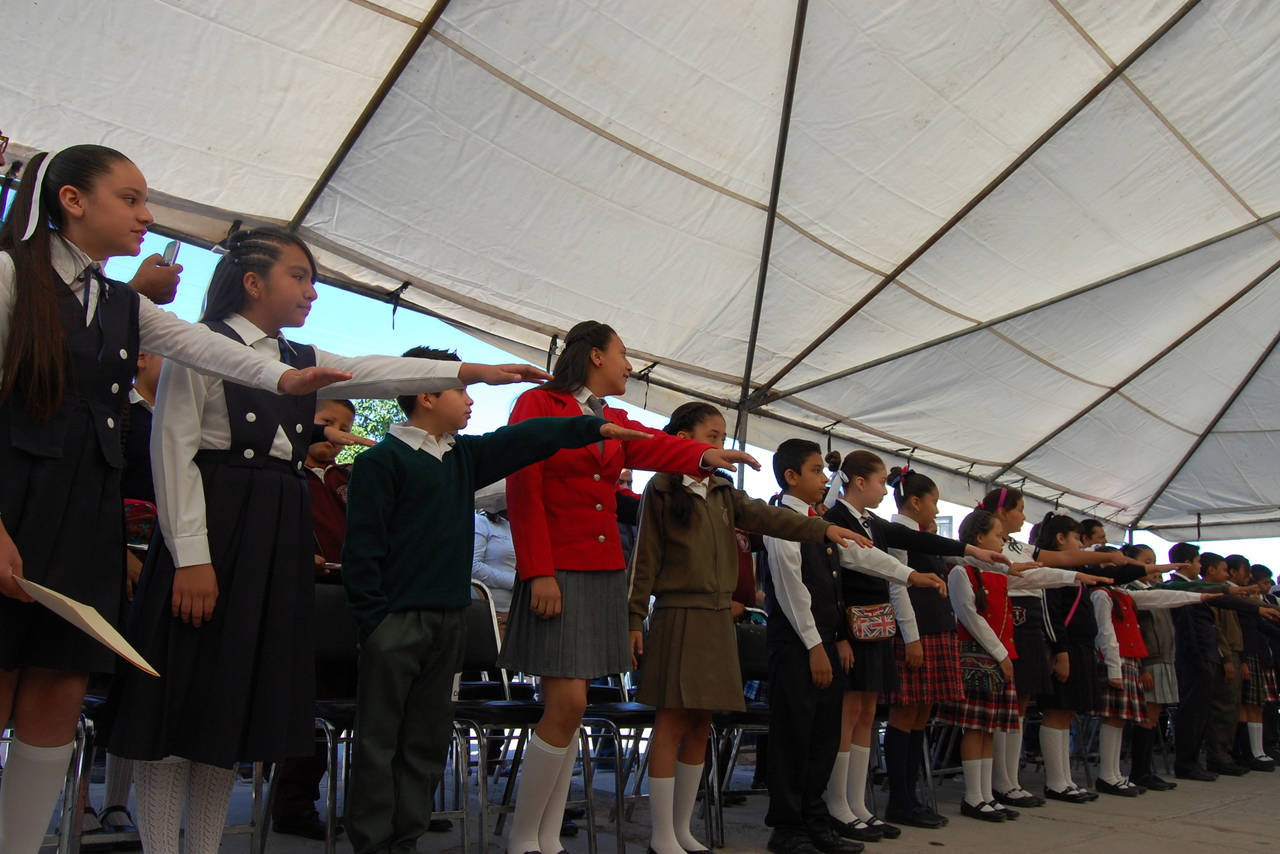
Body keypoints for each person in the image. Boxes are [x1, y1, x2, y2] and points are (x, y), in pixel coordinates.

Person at [106, 226, 552, 854]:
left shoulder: (300, 358)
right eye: (300, 276)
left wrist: (467, 370)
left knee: (228, 712)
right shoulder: (198, 346)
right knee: (180, 703)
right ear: (253, 282)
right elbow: (172, 452)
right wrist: (190, 557)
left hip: (272, 531)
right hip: (214, 526)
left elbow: (370, 372)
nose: (312, 292)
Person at [0, 146, 351, 854]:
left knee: (61, 688)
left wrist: (290, 380)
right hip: (17, 503)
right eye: (130, 199)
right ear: (73, 200)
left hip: (85, 511)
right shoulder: (11, 275)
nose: (146, 215)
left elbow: (213, 350)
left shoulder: (121, 302)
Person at [341, 346, 648, 854]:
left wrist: (591, 427)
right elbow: (361, 552)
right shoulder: (380, 462)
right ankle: (373, 842)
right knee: (379, 739)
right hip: (395, 621)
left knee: (427, 737)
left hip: (450, 620)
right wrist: (375, 623)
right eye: (460, 390)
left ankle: (406, 837)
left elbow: (524, 439)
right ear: (425, 395)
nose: (470, 401)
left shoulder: (462, 457)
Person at [498, 320, 758, 854]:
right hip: (557, 570)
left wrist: (703, 456)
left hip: (602, 573)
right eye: (623, 353)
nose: (629, 365)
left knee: (574, 710)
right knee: (566, 704)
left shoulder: (612, 418)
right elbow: (523, 489)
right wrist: (538, 570)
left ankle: (548, 838)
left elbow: (653, 447)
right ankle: (522, 837)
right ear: (596, 355)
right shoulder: (538, 404)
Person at [629, 403, 863, 854]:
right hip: (679, 613)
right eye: (712, 436)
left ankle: (683, 830)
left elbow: (767, 516)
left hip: (718, 619)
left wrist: (822, 530)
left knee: (701, 723)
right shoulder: (660, 488)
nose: (721, 445)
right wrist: (634, 617)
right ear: (682, 439)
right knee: (672, 721)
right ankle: (662, 835)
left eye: (722, 437)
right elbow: (644, 559)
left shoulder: (722, 490)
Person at [818, 451, 1001, 841]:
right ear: (858, 482)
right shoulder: (835, 520)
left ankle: (858, 805)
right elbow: (855, 568)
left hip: (876, 629)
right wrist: (911, 577)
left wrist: (971, 551)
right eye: (879, 482)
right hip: (850, 629)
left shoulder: (872, 523)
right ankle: (837, 805)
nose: (885, 490)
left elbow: (918, 538)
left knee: (867, 714)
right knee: (848, 715)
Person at [975, 487, 1142, 806]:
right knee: (1008, 707)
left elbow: (1063, 559)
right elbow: (1035, 576)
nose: (1023, 516)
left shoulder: (1020, 546)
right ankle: (1002, 782)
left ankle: (1011, 780)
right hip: (1010, 622)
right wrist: (1075, 576)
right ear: (1002, 511)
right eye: (1019, 508)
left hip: (1030, 627)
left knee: (1020, 705)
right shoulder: (984, 546)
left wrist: (1105, 557)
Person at [270, 397, 360, 840]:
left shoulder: (350, 480)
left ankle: (361, 807)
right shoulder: (283, 474)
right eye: (328, 423)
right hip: (300, 600)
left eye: (345, 428)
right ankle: (293, 804)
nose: (337, 435)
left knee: (348, 699)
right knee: (307, 707)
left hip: (349, 601)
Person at [1091, 559, 1213, 796]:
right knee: (1114, 719)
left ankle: (1114, 774)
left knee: (1120, 719)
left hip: (1129, 660)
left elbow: (1159, 597)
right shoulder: (1101, 595)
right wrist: (1114, 669)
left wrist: (1199, 597)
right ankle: (1107, 775)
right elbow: (1105, 633)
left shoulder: (1123, 594)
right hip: (1117, 660)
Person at [473, 481, 518, 634]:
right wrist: (514, 581)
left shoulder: (522, 524)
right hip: (494, 611)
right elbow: (474, 566)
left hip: (520, 609)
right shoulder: (482, 522)